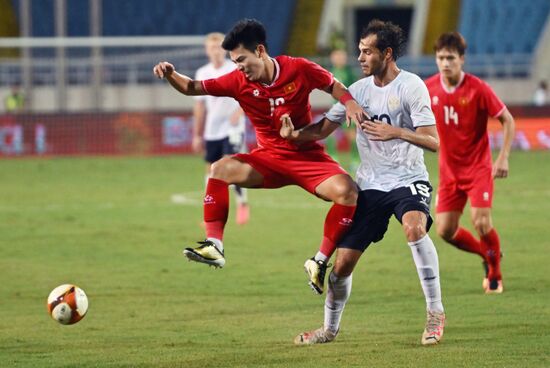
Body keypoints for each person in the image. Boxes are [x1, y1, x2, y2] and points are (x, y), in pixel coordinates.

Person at [153, 19, 366, 294]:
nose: (239, 67)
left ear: (261, 51)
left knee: (349, 193)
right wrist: (171, 74)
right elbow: (192, 87)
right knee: (219, 169)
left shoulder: (298, 68)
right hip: (268, 159)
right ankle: (214, 245)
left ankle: (319, 261)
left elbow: (332, 85)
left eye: (242, 60)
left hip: (307, 157)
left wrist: (349, 102)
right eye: (234, 62)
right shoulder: (236, 80)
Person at [283, 20, 445, 346]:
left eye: (367, 51)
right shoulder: (356, 92)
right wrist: (293, 136)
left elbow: (433, 141)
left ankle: (435, 312)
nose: (360, 57)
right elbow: (323, 130)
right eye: (359, 50)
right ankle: (328, 329)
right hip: (370, 186)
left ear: (386, 53)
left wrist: (396, 132)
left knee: (414, 227)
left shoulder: (411, 86)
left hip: (408, 179)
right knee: (341, 265)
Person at [426, 32, 515, 294]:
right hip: (449, 173)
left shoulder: (478, 88)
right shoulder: (427, 88)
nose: (445, 63)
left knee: (482, 222)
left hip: (478, 168)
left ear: (462, 59)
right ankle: (489, 255)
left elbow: (507, 120)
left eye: (451, 58)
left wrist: (503, 156)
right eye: (441, 58)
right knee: (445, 230)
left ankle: (495, 277)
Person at [193, 32, 249, 225]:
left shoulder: (235, 68)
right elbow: (199, 106)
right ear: (207, 50)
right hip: (212, 130)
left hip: (232, 128)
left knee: (229, 167)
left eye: (218, 47)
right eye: (211, 48)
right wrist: (197, 134)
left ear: (224, 50)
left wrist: (239, 112)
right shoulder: (202, 73)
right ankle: (211, 212)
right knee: (210, 170)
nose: (215, 51)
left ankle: (242, 203)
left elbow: (249, 94)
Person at [325, 49, 360, 172]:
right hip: (335, 108)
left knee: (351, 136)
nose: (339, 59)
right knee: (330, 135)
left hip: (347, 108)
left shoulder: (349, 73)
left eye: (341, 57)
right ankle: (333, 159)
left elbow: (355, 90)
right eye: (336, 57)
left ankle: (355, 160)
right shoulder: (331, 73)